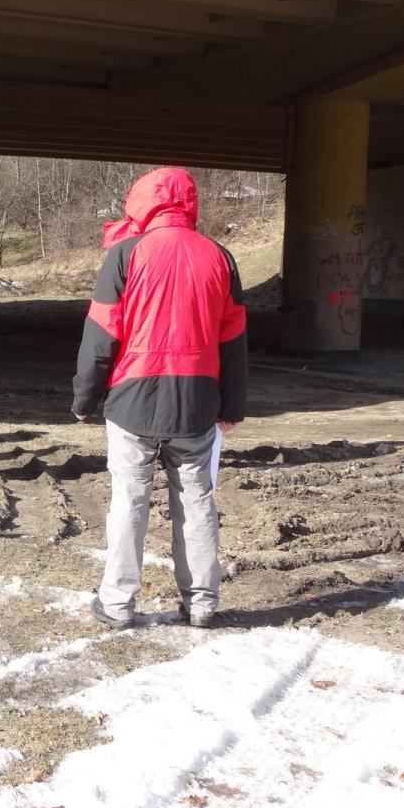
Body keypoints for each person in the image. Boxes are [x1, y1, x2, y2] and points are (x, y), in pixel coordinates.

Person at [72, 167, 247, 631]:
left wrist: (85, 397)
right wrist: (232, 405)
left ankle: (117, 603)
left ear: (142, 202)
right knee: (197, 501)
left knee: (129, 500)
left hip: (133, 399)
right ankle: (202, 603)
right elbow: (233, 340)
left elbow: (101, 334)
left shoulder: (126, 253)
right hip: (197, 400)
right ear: (190, 203)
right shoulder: (220, 256)